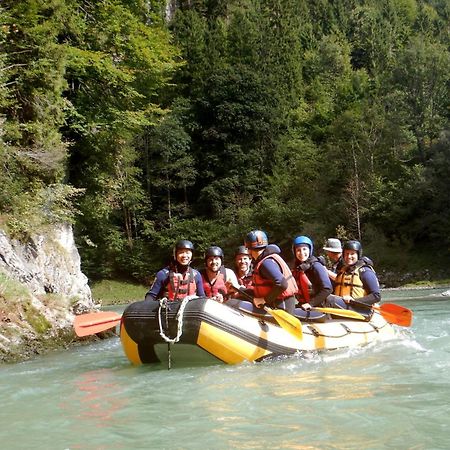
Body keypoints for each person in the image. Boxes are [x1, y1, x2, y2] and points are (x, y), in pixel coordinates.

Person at [237, 230, 298, 313]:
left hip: (280, 308)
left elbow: (282, 284)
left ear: (249, 250)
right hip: (280, 304)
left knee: (234, 303)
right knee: (239, 299)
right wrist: (239, 289)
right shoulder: (268, 259)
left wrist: (264, 300)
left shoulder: (266, 263)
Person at [327, 240, 381, 309]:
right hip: (341, 309)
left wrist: (354, 301)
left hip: (359, 311)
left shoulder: (365, 271)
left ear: (358, 255)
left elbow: (376, 296)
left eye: (352, 254)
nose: (349, 256)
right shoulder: (342, 271)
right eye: (347, 253)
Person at [292, 235, 333, 310]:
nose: (301, 253)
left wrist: (311, 303)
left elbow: (328, 288)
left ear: (309, 250)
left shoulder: (316, 266)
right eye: (298, 250)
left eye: (304, 249)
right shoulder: (298, 268)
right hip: (304, 304)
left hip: (320, 306)